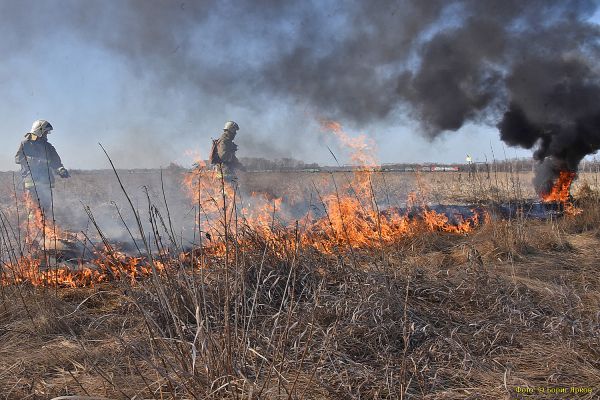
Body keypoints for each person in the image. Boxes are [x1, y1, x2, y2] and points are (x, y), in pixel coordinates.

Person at [15, 120, 70, 217]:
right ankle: (33, 230)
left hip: (46, 182)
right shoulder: (26, 144)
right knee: (33, 209)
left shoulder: (48, 147)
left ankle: (44, 228)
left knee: (45, 208)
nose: (46, 135)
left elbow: (56, 162)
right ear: (38, 131)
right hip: (31, 182)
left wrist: (61, 170)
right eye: (45, 132)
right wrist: (35, 161)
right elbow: (18, 158)